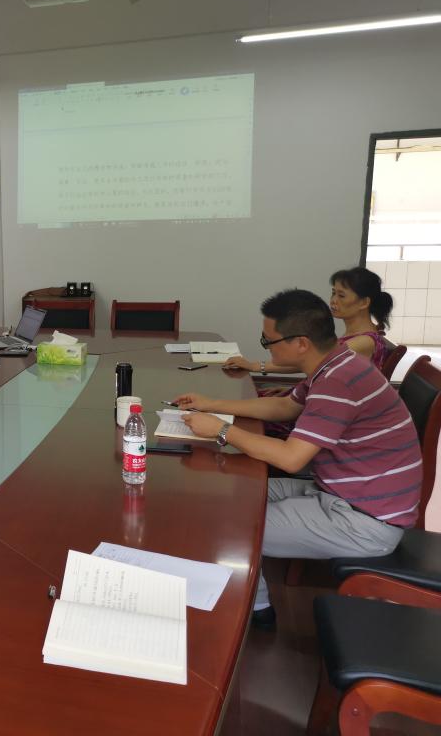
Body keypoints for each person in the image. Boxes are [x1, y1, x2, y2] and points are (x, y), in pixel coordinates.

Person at [175, 289, 421, 628]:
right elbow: (285, 406)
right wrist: (212, 405)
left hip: (365, 522)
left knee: (231, 526)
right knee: (236, 490)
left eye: (269, 340)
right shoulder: (335, 363)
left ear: (301, 343)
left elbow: (291, 459)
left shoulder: (339, 381)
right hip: (340, 494)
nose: (267, 348)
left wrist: (221, 430)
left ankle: (258, 612)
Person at [225, 266, 393, 374]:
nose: (333, 301)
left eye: (341, 295)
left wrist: (254, 366)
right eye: (333, 293)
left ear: (364, 303)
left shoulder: (364, 341)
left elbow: (309, 361)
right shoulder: (355, 335)